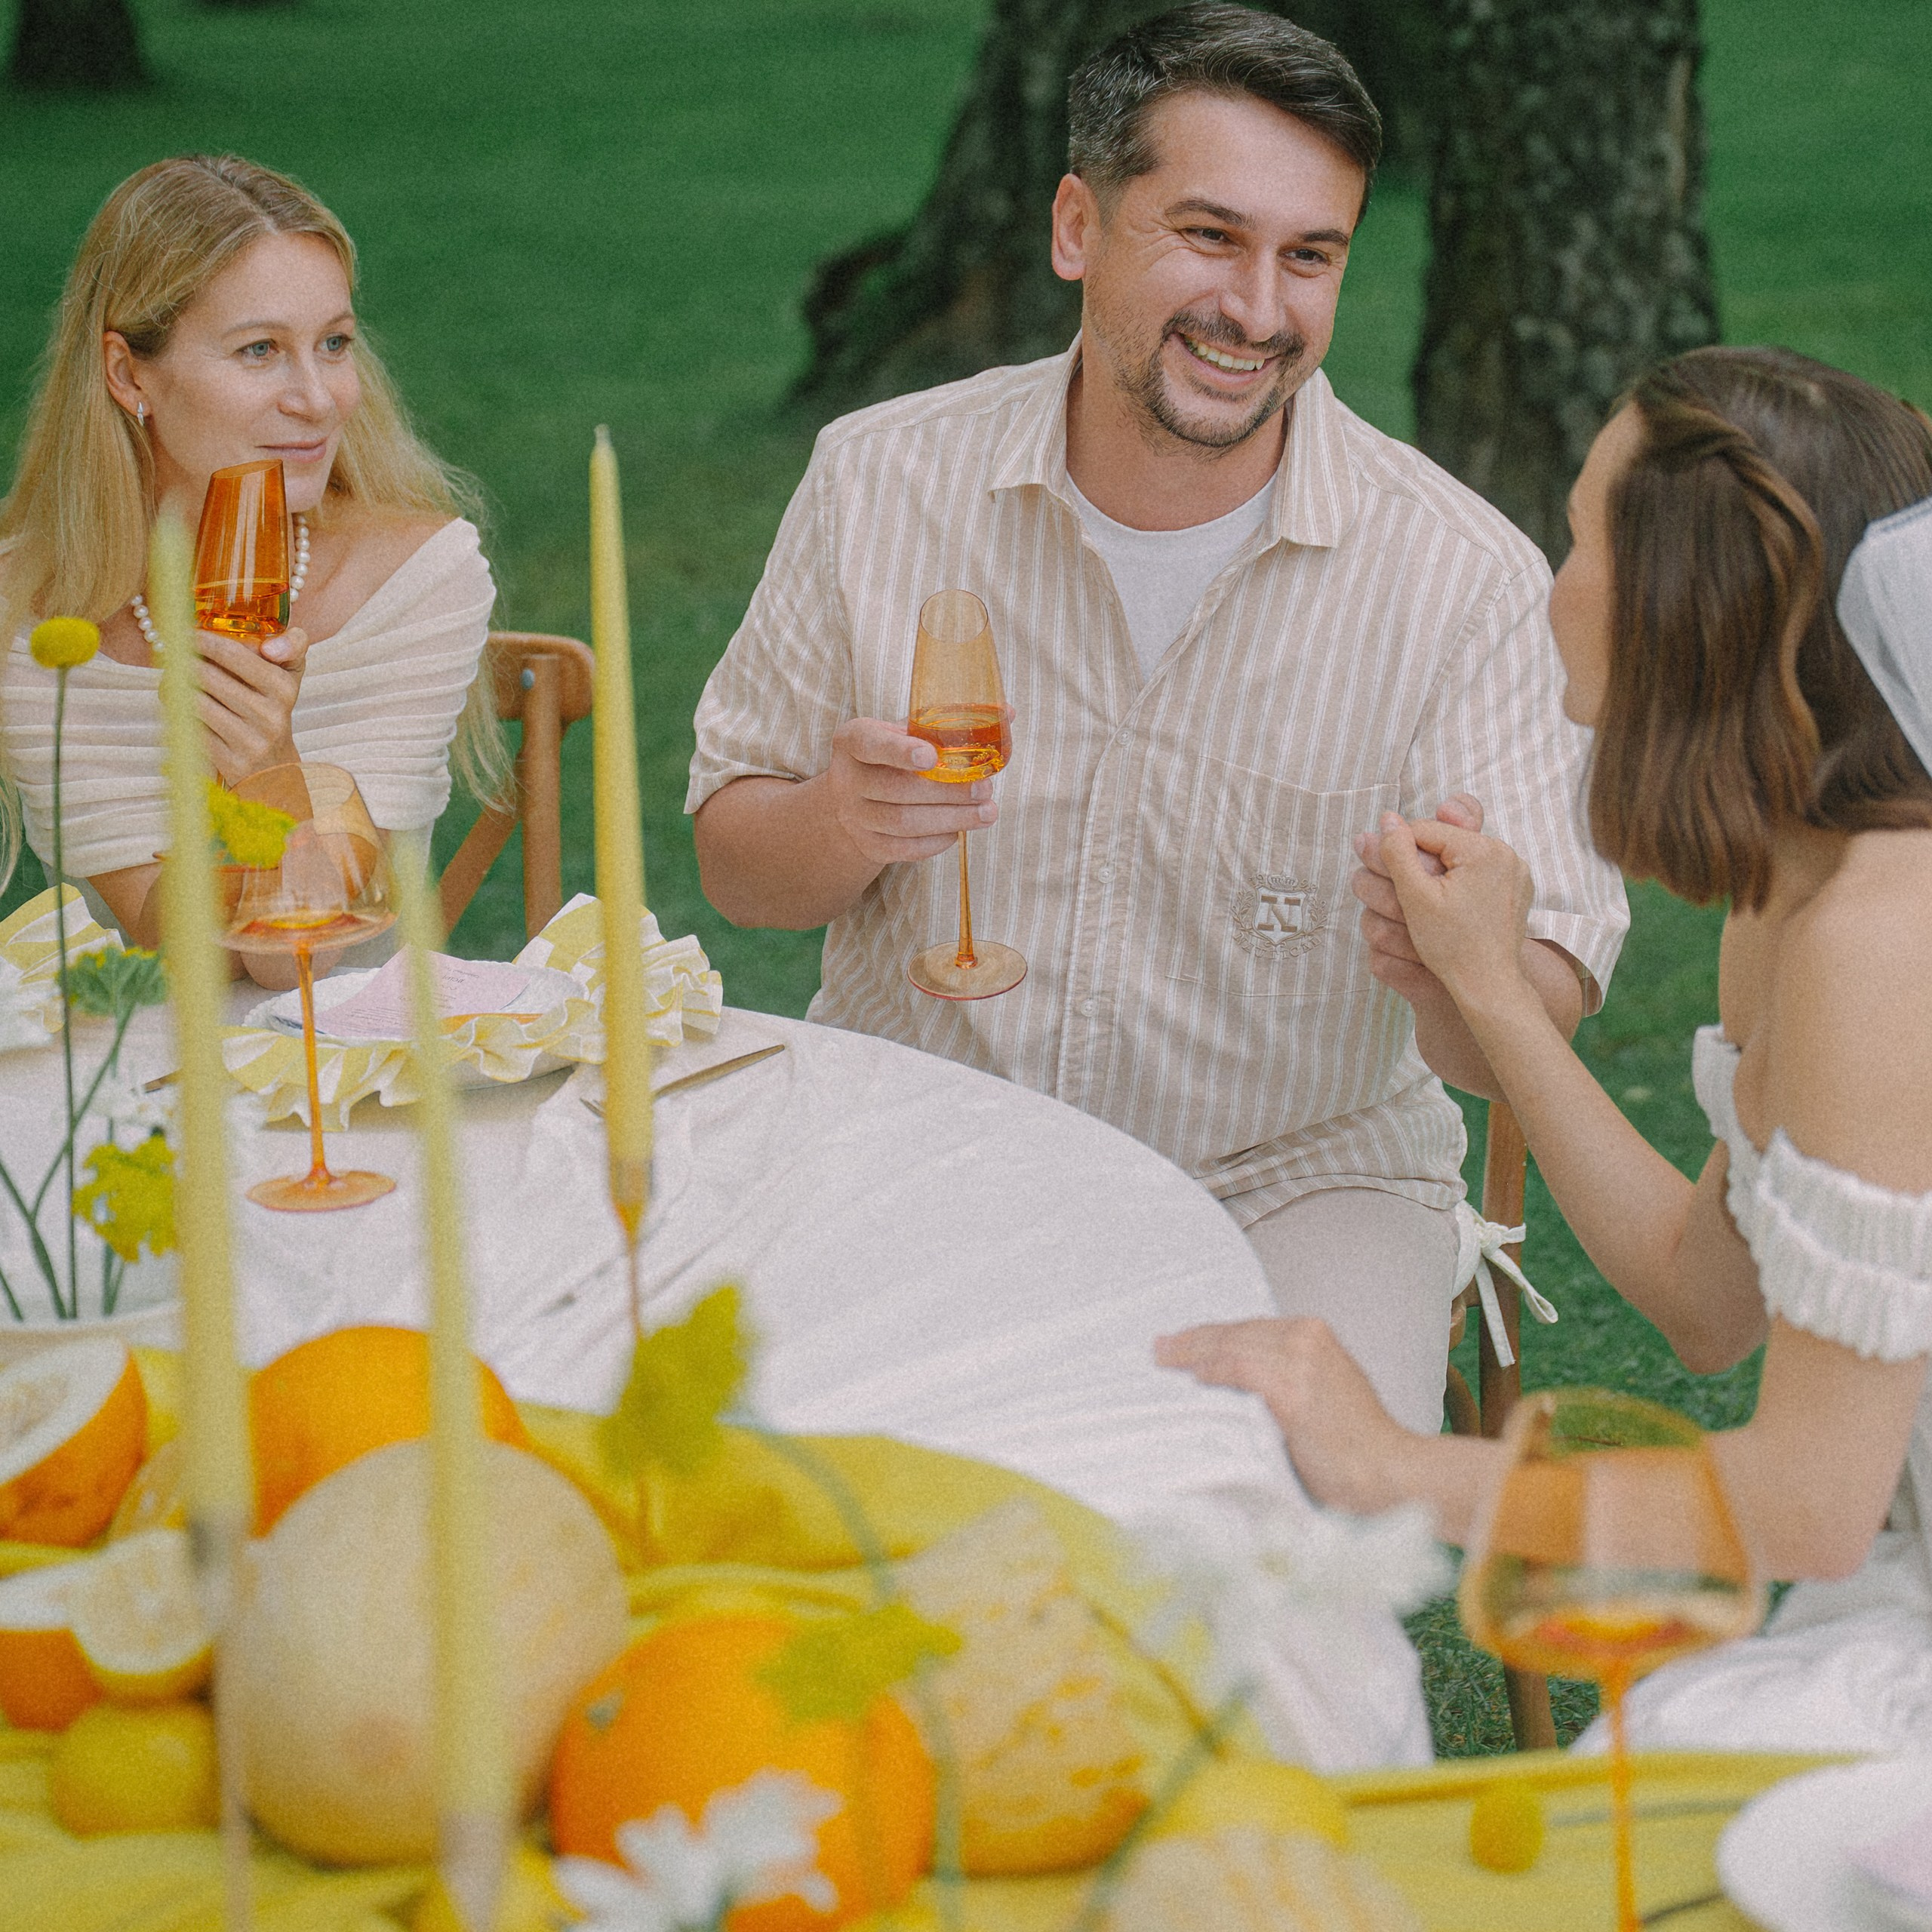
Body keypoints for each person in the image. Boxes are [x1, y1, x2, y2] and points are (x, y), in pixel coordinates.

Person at [687, 2, 1626, 1432]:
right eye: (1209, 235)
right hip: (922, 1138)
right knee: (782, 1461)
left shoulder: (1460, 578)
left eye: (1310, 256)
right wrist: (834, 819)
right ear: (1078, 224)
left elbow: (1519, 1039)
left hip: (1294, 1184)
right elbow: (738, 871)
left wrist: (1465, 970)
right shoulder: (879, 479)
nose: (1258, 309)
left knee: (1272, 1496)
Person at [1161, 345, 1932, 1756]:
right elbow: (1709, 1299)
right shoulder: (1794, 892)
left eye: (1575, 539)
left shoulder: (1884, 945)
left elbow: (1812, 1510)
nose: (1551, 580)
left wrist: (1396, 1462)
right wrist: (1492, 993)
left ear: (1678, 616)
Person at [0, 153, 503, 983]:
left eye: (333, 343)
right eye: (260, 350)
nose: (319, 397)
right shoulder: (29, 618)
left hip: (362, 1078)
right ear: (130, 374)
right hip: (145, 1080)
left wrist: (269, 770)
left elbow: (301, 966)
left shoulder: (422, 580)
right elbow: (185, 963)